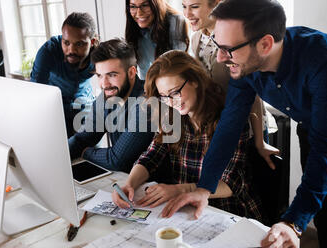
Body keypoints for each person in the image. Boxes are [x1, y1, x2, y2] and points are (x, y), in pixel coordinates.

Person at [161, 0, 327, 248]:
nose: (219, 59)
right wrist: (205, 187)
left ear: (265, 44)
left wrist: (293, 223)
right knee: (325, 215)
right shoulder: (243, 65)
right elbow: (230, 122)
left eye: (228, 50)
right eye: (218, 45)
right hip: (313, 127)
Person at [112, 50, 263, 222]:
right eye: (163, 96)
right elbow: (151, 156)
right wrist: (129, 184)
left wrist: (179, 190)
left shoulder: (228, 119)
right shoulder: (171, 117)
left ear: (195, 80)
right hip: (187, 210)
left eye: (175, 92)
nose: (171, 102)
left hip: (229, 212)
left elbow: (230, 183)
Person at [182, 0, 279, 170]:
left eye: (194, 7)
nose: (187, 14)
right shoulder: (196, 39)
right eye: (184, 6)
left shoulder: (235, 38)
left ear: (216, 5)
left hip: (249, 127)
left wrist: (260, 142)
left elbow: (253, 95)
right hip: (222, 126)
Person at [68, 38, 155, 173]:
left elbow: (117, 161)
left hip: (153, 185)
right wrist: (56, 155)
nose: (104, 84)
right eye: (99, 76)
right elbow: (82, 138)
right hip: (124, 180)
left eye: (112, 75)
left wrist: (85, 152)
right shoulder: (105, 97)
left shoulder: (146, 103)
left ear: (131, 72)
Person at [30, 12, 98, 137]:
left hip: (84, 106)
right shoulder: (48, 52)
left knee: (89, 148)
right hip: (55, 109)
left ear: (92, 42)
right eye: (66, 43)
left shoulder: (99, 56)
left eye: (79, 44)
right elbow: (36, 91)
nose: (71, 50)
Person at [125, 0, 189, 80]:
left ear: (155, 3)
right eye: (133, 6)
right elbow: (145, 76)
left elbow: (179, 70)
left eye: (145, 5)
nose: (139, 13)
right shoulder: (136, 31)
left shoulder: (176, 22)